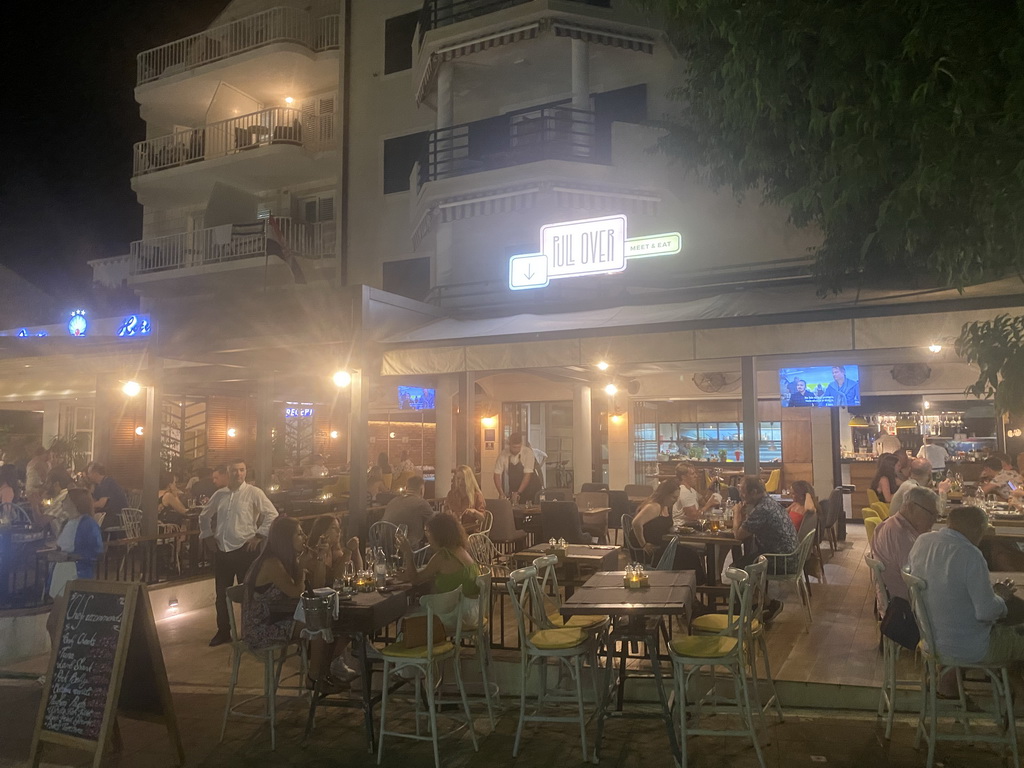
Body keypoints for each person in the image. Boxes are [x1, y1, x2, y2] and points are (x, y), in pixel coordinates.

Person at [908, 505, 1024, 700]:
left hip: (934, 639)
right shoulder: (970, 554)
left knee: (1010, 630)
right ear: (979, 529)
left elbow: (952, 590)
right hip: (970, 647)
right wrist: (1001, 598)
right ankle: (1018, 696)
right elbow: (986, 612)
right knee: (1014, 630)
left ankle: (1015, 691)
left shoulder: (923, 542)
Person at [243, 516, 351, 692]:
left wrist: (320, 559)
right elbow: (296, 592)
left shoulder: (287, 559)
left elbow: (317, 587)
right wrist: (302, 567)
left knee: (340, 625)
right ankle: (314, 678)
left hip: (282, 617)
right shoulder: (272, 563)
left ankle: (322, 672)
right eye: (299, 534)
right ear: (286, 538)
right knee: (318, 624)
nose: (305, 538)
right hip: (261, 626)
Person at [200, 459, 279, 647]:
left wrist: (259, 535)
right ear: (228, 472)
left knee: (249, 593)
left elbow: (272, 514)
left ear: (245, 472)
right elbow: (204, 515)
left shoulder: (254, 493)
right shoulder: (219, 495)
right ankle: (223, 631)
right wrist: (208, 536)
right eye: (234, 470)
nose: (238, 474)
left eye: (242, 470)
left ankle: (250, 630)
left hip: (246, 549)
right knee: (222, 594)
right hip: (222, 550)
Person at [395, 513, 480, 629]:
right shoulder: (461, 550)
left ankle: (416, 645)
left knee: (404, 617)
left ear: (438, 535)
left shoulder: (442, 556)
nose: (427, 537)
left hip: (455, 615)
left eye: (428, 533)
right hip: (472, 611)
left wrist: (408, 554)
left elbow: (415, 580)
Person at [732, 475, 798, 621]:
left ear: (754, 492)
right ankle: (766, 604)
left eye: (743, 491)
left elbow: (738, 534)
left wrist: (736, 513)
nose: (741, 495)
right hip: (789, 555)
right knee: (744, 563)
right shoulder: (769, 503)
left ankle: (743, 614)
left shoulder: (762, 509)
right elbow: (746, 529)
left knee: (738, 569)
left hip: (782, 561)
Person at [45, 488, 104, 645]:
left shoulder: (88, 524)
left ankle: (59, 658)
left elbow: (97, 551)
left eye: (66, 500)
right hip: (63, 573)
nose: (63, 503)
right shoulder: (68, 522)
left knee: (55, 623)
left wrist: (69, 556)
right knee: (60, 623)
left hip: (74, 575)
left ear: (75, 502)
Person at [871, 486, 940, 603]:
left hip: (898, 599)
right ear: (911, 507)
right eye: (931, 514)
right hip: (908, 605)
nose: (934, 520)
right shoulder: (901, 535)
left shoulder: (890, 524)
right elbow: (920, 578)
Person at [632, 479, 707, 582]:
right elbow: (636, 523)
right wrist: (643, 544)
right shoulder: (654, 506)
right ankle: (693, 588)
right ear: (664, 494)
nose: (675, 500)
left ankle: (691, 588)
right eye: (673, 497)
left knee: (690, 553)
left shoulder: (666, 506)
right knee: (689, 556)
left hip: (662, 545)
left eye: (677, 497)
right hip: (650, 550)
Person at [382, 475, 434, 547]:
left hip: (385, 546)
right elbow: (434, 525)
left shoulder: (392, 501)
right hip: (407, 550)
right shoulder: (422, 504)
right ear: (421, 490)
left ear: (406, 488)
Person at [492, 431, 542, 503]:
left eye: (518, 447)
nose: (516, 449)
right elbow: (496, 474)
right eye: (514, 447)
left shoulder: (527, 453)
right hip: (514, 486)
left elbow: (527, 475)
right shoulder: (503, 454)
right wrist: (501, 493)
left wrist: (518, 493)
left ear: (521, 444)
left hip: (532, 488)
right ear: (510, 445)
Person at [87, 461, 129, 534]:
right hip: (108, 514)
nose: (88, 475)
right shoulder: (98, 485)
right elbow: (93, 501)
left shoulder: (108, 482)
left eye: (89, 473)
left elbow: (101, 504)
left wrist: (86, 506)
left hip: (118, 517)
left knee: (91, 524)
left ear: (95, 473)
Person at [444, 465, 487, 534]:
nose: (460, 482)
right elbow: (446, 510)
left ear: (468, 480)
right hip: (454, 530)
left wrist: (475, 512)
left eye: (463, 479)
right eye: (458, 478)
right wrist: (449, 513)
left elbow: (482, 518)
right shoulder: (451, 494)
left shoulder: (476, 495)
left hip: (471, 532)